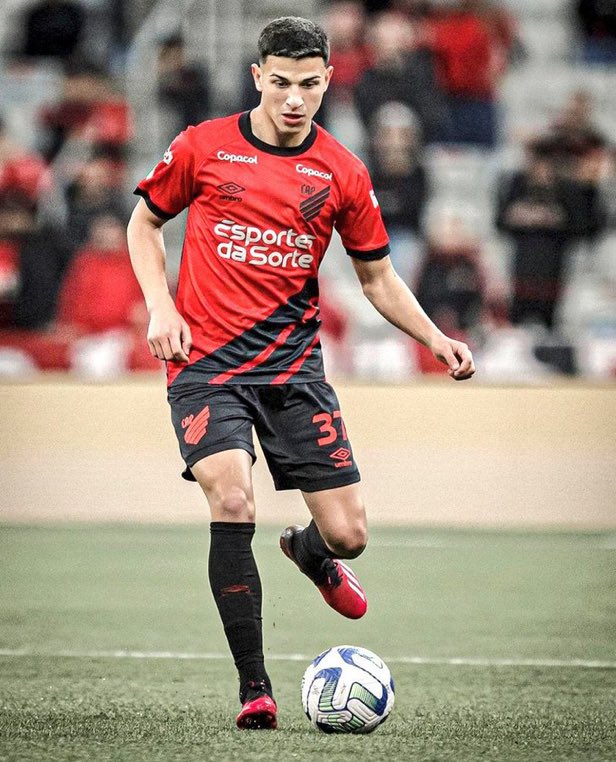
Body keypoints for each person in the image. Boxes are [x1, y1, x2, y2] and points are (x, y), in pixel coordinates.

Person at [127, 16, 474, 731]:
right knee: (232, 499)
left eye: (309, 84)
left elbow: (377, 279)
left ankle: (310, 552)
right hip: (205, 365)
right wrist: (161, 305)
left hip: (293, 370)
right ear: (258, 77)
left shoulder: (342, 171)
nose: (294, 98)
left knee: (350, 535)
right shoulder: (203, 147)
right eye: (281, 82)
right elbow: (143, 223)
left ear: (328, 82)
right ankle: (255, 689)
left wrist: (435, 338)